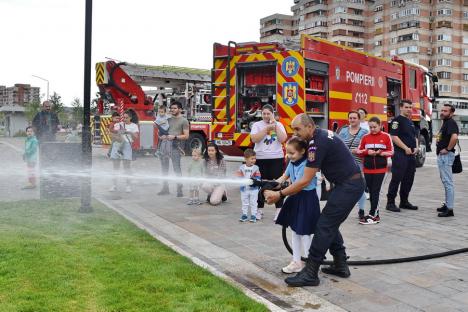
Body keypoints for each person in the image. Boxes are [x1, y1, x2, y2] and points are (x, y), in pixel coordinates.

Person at [264, 114, 364, 287]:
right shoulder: (319, 136)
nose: (295, 133)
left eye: (297, 129)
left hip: (349, 185)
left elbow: (304, 180)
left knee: (324, 225)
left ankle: (310, 273)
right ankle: (340, 264)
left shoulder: (317, 144)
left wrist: (280, 195)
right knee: (328, 223)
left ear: (309, 127)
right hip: (345, 184)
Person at [275, 137, 320, 274]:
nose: (289, 156)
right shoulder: (292, 162)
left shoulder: (307, 164)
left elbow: (299, 184)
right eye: (287, 153)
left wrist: (279, 193)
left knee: (305, 232)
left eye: (292, 153)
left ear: (302, 151)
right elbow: (284, 176)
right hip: (295, 197)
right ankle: (296, 262)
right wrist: (272, 184)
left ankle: (310, 264)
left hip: (306, 199)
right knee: (295, 230)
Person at [250, 104, 287, 220]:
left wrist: (275, 126)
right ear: (261, 114)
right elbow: (254, 139)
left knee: (276, 184)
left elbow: (283, 139)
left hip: (276, 158)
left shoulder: (279, 124)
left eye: (268, 114)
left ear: (273, 114)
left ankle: (279, 210)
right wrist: (266, 129)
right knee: (259, 184)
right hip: (260, 158)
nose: (266, 116)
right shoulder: (257, 125)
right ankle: (259, 210)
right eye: (264, 114)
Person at [357, 117, 394, 225]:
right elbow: (359, 151)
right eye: (370, 127)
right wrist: (367, 152)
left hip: (381, 169)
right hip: (368, 169)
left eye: (374, 127)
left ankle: (373, 214)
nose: (372, 129)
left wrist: (381, 153)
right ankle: (375, 214)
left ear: (380, 125)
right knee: (372, 192)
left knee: (376, 192)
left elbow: (391, 151)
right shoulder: (365, 137)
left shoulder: (386, 136)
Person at [386, 99, 419, 212]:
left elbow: (414, 137)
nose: (409, 109)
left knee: (409, 179)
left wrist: (417, 147)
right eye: (406, 107)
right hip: (400, 154)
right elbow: (394, 137)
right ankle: (390, 203)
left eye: (410, 107)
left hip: (410, 155)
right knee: (397, 178)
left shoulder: (410, 121)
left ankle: (404, 201)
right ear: (401, 107)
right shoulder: (397, 121)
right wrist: (405, 148)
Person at [338, 111, 368, 219]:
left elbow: (367, 148)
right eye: (350, 118)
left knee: (359, 188)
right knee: (343, 187)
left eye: (354, 118)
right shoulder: (343, 131)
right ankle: (342, 210)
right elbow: (338, 145)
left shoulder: (364, 132)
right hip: (344, 165)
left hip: (358, 164)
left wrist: (359, 151)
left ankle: (361, 209)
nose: (352, 120)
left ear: (359, 119)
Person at [158, 101, 189, 197]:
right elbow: (160, 132)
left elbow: (186, 136)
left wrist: (174, 137)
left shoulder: (184, 121)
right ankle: (165, 188)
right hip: (164, 146)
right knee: (164, 168)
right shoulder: (167, 119)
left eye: (175, 108)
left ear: (180, 109)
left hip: (176, 147)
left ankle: (179, 190)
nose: (172, 110)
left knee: (177, 169)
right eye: (171, 108)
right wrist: (161, 136)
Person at [436, 104, 459, 217]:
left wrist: (447, 149)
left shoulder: (451, 123)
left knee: (448, 182)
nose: (442, 112)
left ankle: (449, 209)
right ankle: (447, 204)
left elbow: (454, 137)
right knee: (445, 182)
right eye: (442, 110)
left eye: (445, 111)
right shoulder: (446, 122)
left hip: (446, 156)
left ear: (451, 113)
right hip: (442, 156)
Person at [109, 110, 139, 193]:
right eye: (124, 118)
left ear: (130, 118)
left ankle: (128, 186)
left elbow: (136, 137)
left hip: (127, 146)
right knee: (115, 167)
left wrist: (129, 132)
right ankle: (114, 185)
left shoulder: (134, 126)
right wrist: (118, 134)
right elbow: (111, 132)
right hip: (117, 145)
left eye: (126, 118)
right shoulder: (118, 124)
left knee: (127, 167)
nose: (124, 119)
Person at [236, 149, 261, 223]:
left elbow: (258, 177)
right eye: (252, 158)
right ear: (246, 159)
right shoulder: (241, 168)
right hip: (244, 189)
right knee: (244, 202)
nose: (254, 160)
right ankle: (244, 215)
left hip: (254, 189)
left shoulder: (256, 168)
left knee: (253, 202)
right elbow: (238, 176)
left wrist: (254, 180)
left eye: (254, 158)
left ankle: (253, 215)